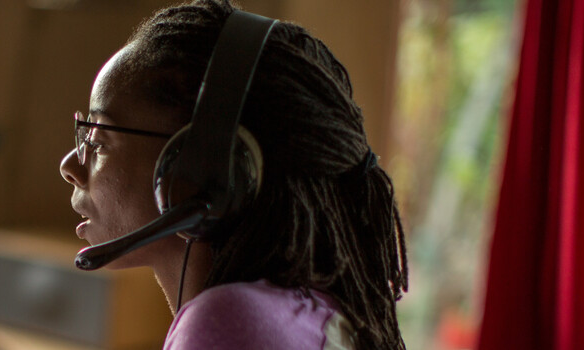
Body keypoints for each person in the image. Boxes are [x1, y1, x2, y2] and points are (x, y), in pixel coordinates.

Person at [58, 1, 409, 349]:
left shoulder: (230, 324)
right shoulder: (303, 316)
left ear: (205, 166)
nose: (70, 166)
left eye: (98, 139)